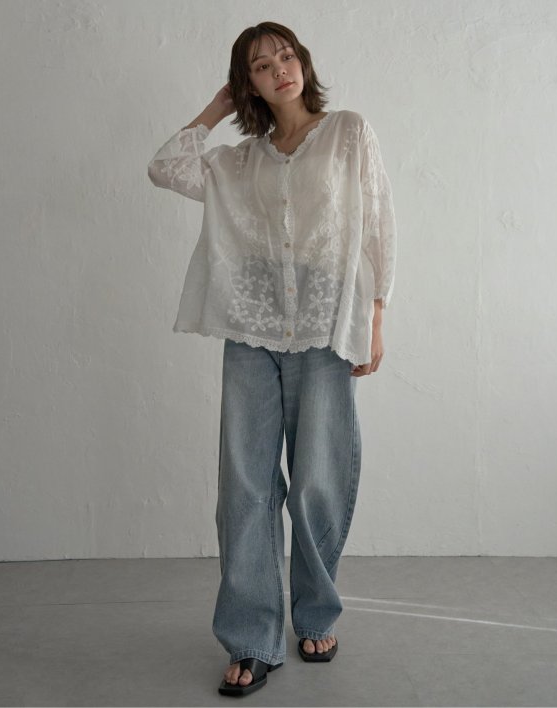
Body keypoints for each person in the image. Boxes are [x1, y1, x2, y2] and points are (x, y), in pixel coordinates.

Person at [147, 21, 397, 697]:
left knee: (318, 482)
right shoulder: (240, 160)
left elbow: (377, 224)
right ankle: (252, 639)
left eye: (286, 56)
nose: (280, 69)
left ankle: (316, 615)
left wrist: (375, 318)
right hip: (253, 331)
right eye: (261, 65)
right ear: (248, 83)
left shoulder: (348, 133)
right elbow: (165, 167)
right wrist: (216, 108)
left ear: (303, 62)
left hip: (324, 327)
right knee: (246, 490)